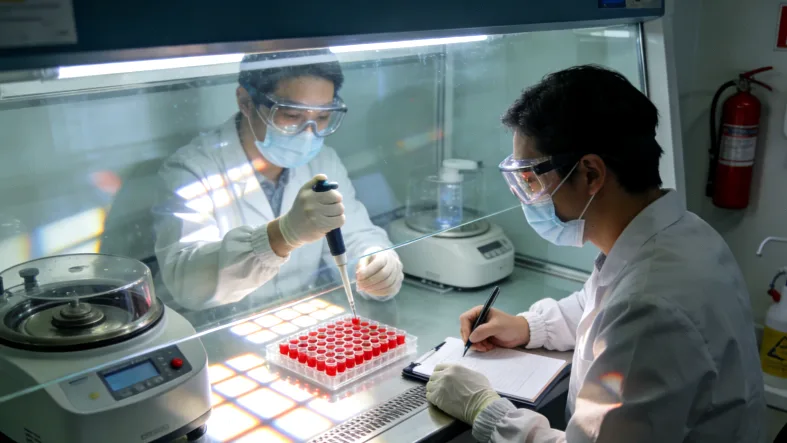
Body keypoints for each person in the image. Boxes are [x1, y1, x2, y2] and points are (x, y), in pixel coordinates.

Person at [425, 65, 765, 442]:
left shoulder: (651, 306)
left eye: (532, 179)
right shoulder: (679, 235)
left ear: (590, 174)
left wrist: (485, 409)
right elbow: (597, 305)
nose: (528, 196)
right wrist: (526, 327)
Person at [153, 50, 404, 311]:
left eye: (322, 117)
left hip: (301, 319)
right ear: (246, 102)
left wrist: (374, 263)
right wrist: (281, 235)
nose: (308, 134)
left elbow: (354, 235)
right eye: (292, 115)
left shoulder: (323, 161)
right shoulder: (192, 169)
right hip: (217, 326)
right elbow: (187, 285)